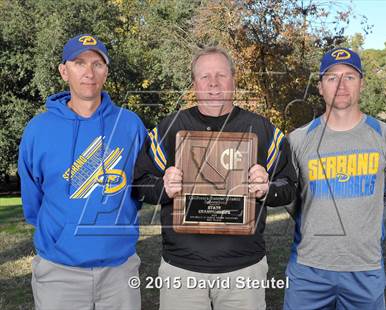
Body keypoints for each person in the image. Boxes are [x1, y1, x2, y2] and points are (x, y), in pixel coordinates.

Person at [132, 46, 297, 310]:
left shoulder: (262, 129)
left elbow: (289, 186)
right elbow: (139, 183)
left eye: (221, 75)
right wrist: (164, 188)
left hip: (244, 268)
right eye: (204, 76)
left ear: (234, 79)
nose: (213, 83)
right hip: (182, 268)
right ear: (194, 83)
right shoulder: (169, 128)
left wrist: (267, 188)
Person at [18, 34, 147, 309]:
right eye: (79, 63)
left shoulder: (130, 125)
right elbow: (32, 199)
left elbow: (142, 187)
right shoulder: (39, 130)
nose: (89, 72)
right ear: (64, 71)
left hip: (119, 271)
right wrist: (60, 234)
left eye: (97, 64)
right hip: (58, 273)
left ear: (107, 71)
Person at [284, 47, 386, 309]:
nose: (341, 85)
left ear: (361, 83)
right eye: (331, 77)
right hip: (308, 269)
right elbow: (290, 201)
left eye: (349, 76)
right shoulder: (297, 140)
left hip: (365, 268)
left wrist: (364, 222)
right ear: (320, 87)